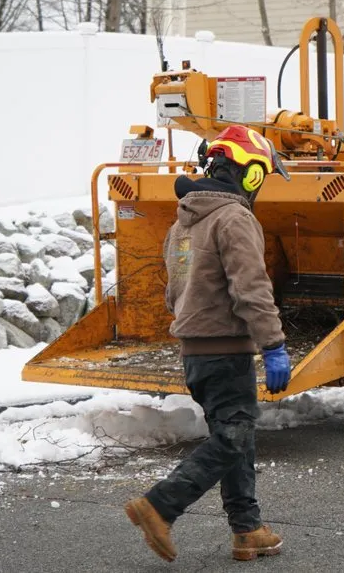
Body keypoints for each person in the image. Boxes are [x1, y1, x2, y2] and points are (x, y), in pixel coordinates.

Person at [125, 124, 291, 563]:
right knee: (234, 435)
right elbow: (251, 287)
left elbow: (172, 291)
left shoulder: (183, 222)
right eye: (262, 176)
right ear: (250, 172)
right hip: (224, 347)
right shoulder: (235, 217)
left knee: (235, 434)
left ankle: (247, 528)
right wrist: (272, 343)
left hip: (195, 350)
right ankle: (161, 505)